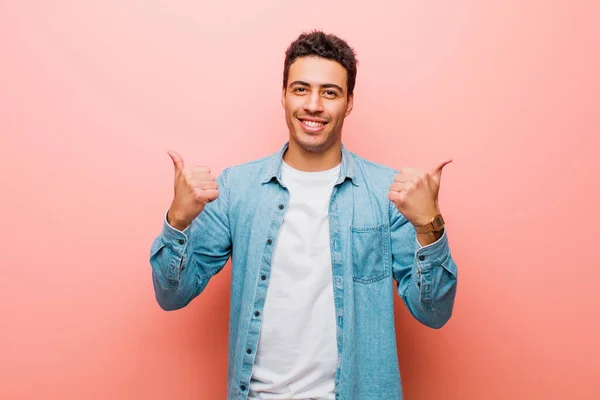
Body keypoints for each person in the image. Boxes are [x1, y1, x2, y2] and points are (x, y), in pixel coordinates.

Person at [149, 30, 458, 400]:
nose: (313, 105)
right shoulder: (237, 189)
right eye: (300, 89)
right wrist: (178, 221)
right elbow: (171, 296)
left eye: (330, 92)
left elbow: (434, 313)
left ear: (349, 102)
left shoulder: (387, 193)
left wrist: (429, 226)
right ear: (283, 95)